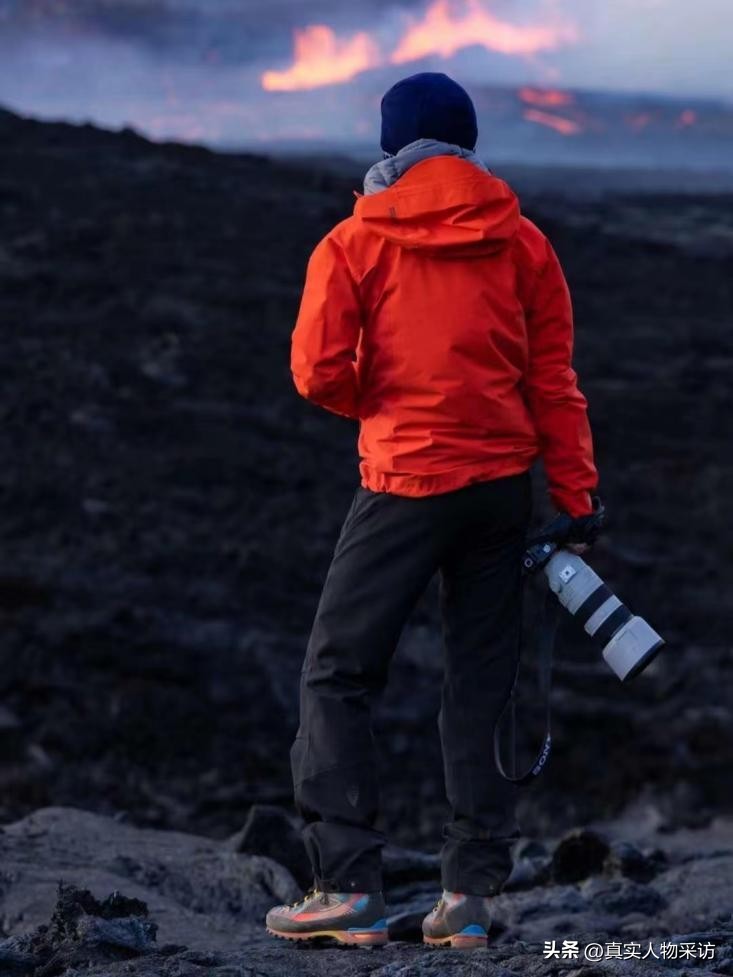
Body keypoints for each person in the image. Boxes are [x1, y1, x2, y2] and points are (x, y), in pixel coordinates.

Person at [265, 71, 599, 949]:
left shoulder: (353, 241)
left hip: (405, 484)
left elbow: (315, 371)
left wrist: (384, 407)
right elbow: (552, 380)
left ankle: (347, 886)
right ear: (466, 144)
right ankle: (469, 899)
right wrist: (575, 493)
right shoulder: (523, 241)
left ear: (390, 148)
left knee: (338, 673)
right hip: (499, 490)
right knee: (481, 680)